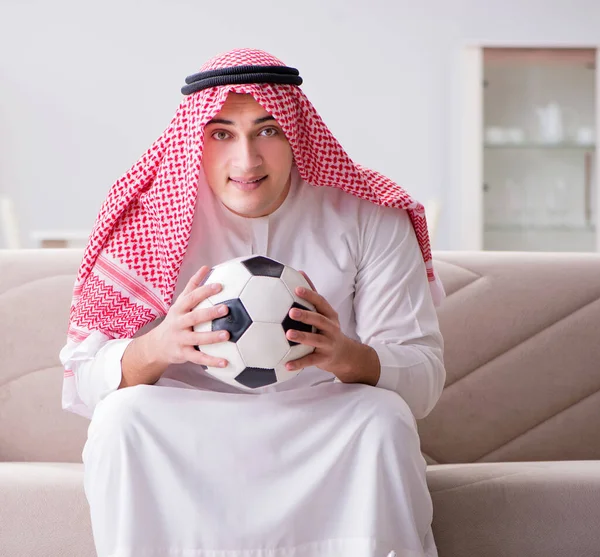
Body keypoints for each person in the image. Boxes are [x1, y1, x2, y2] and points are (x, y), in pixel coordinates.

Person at [59, 48, 446, 557]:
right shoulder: (147, 217)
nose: (247, 159)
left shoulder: (370, 215)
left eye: (268, 130)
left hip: (322, 425)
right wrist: (160, 346)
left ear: (296, 133)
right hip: (188, 430)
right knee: (121, 420)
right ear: (195, 140)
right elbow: (83, 386)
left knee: (385, 420)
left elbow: (422, 383)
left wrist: (347, 355)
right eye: (221, 134)